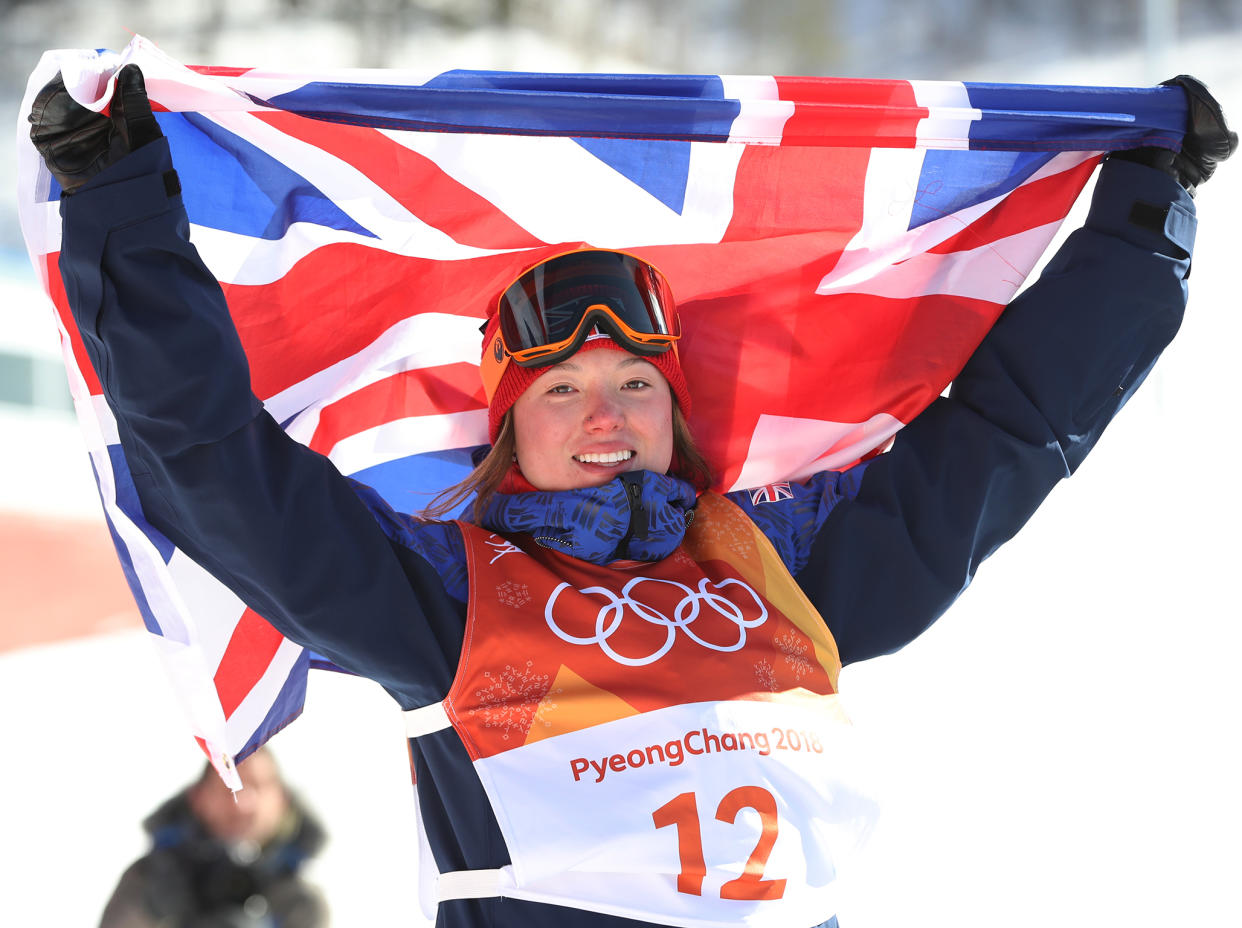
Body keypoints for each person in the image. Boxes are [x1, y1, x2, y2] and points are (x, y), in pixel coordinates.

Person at [29, 65, 1235, 928]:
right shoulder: (445, 597)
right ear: (507, 430)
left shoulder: (781, 568)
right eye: (562, 390)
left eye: (636, 382)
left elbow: (1005, 434)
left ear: (674, 412)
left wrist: (1140, 229)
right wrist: (119, 197)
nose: (608, 414)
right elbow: (215, 460)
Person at [98, 748, 328, 928]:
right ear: (198, 798)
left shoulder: (301, 904)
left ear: (283, 801)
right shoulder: (148, 881)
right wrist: (153, 915)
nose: (243, 803)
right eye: (229, 785)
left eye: (259, 785)